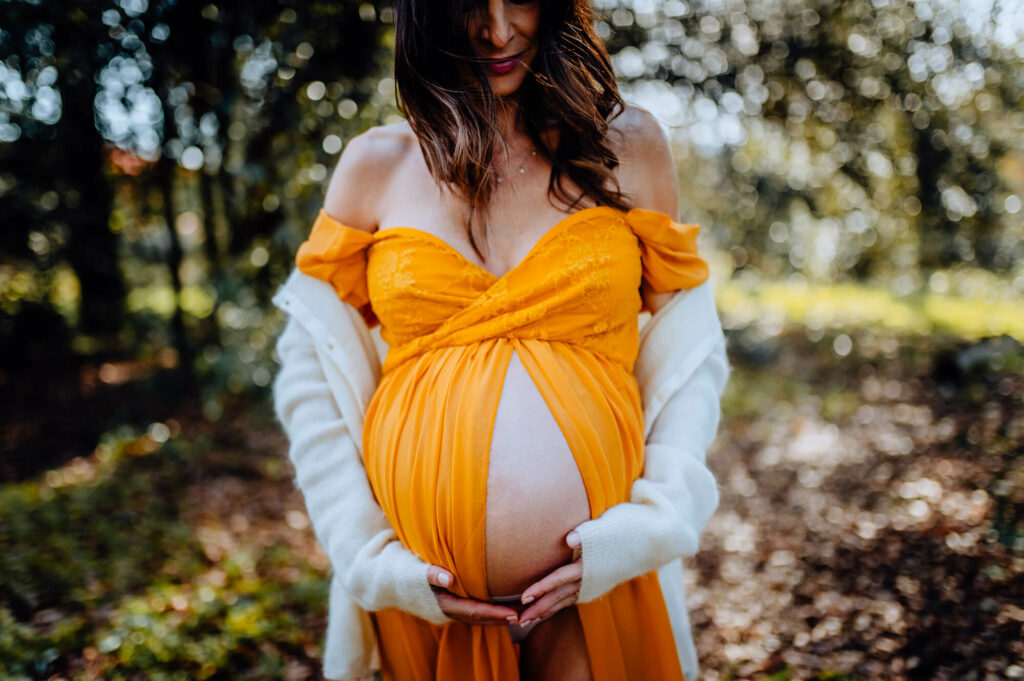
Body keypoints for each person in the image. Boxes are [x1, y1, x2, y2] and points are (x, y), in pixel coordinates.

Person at [270, 0, 731, 679]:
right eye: (466, 4)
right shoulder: (376, 165)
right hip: (426, 601)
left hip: (596, 584)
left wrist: (651, 525)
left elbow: (688, 354)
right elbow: (310, 371)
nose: (497, 27)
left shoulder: (627, 147)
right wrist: (372, 560)